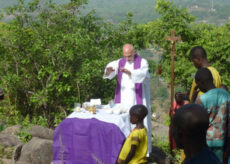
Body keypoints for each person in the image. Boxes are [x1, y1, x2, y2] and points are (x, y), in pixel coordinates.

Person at [103, 43, 152, 154]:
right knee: (124, 121)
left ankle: (143, 152)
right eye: (125, 55)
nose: (127, 58)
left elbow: (144, 75)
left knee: (140, 121)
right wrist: (108, 70)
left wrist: (130, 72)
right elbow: (108, 71)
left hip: (138, 97)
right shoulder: (120, 62)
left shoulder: (143, 62)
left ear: (134, 52)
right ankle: (124, 150)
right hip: (123, 98)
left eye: (129, 56)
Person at [195, 67, 230, 163]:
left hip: (205, 142)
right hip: (222, 141)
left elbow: (196, 123)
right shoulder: (226, 95)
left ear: (201, 83)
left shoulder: (201, 99)